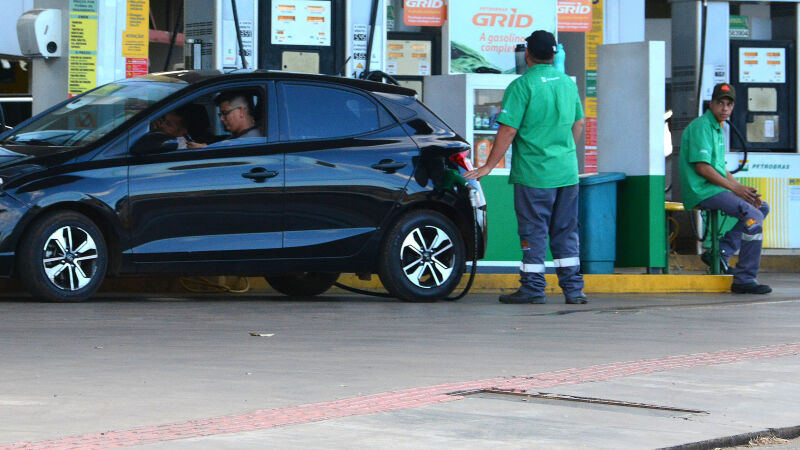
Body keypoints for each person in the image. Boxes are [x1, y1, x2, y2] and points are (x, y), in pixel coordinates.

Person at [464, 30, 586, 305]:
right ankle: (574, 290)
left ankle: (533, 288)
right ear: (554, 54)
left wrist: (487, 166)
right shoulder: (567, 84)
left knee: (534, 231)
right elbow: (578, 124)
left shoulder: (522, 86)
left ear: (527, 54)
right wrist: (563, 152)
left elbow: (507, 130)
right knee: (566, 230)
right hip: (566, 172)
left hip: (534, 174)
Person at [679, 82, 771, 294]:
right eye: (720, 103)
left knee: (761, 208)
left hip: (715, 188)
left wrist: (741, 190)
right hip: (702, 190)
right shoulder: (702, 126)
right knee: (753, 217)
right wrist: (736, 190)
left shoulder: (717, 128)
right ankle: (744, 278)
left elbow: (720, 168)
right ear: (711, 104)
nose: (725, 108)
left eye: (729, 104)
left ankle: (720, 252)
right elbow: (703, 168)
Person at [187, 91, 263, 149]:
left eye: (225, 113)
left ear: (241, 111)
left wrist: (205, 148)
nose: (222, 119)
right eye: (221, 114)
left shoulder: (251, 140)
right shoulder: (241, 135)